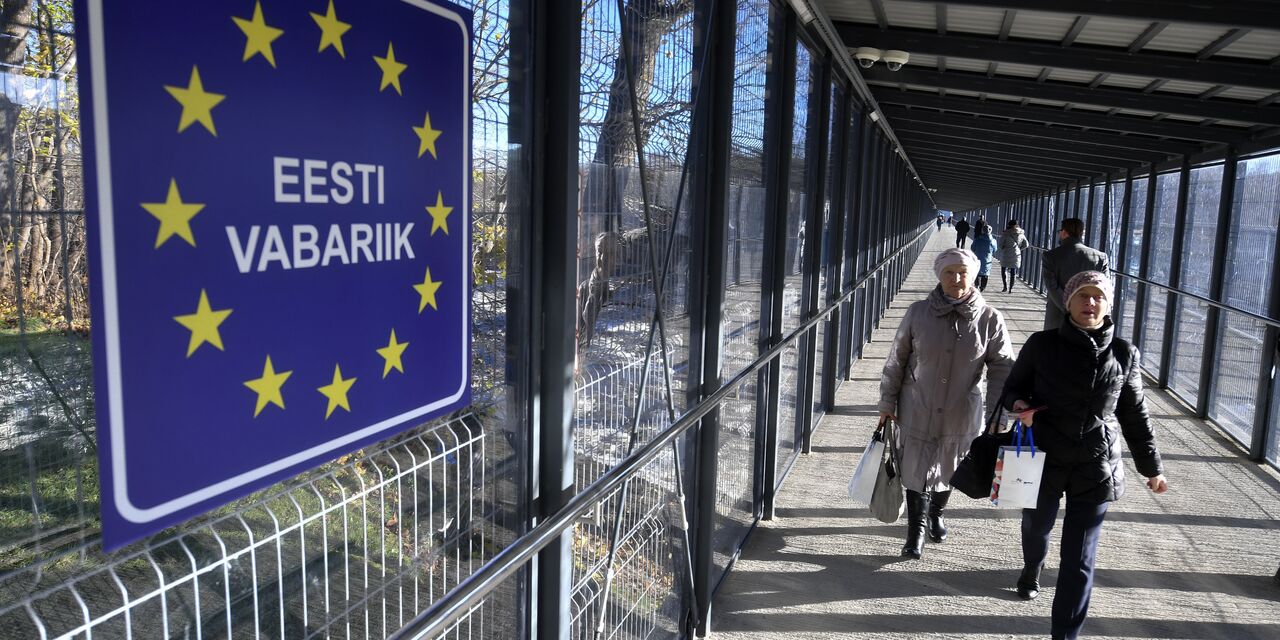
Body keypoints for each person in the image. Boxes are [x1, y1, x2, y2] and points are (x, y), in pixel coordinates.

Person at [1001, 271, 1168, 640]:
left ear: (1108, 305)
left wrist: (1151, 468)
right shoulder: (1042, 345)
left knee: (1079, 560)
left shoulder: (1123, 353)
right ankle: (1032, 567)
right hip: (1042, 455)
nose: (1090, 303)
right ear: (1068, 301)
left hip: (1096, 463)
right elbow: (1011, 388)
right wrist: (1020, 404)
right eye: (1083, 296)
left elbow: (1134, 413)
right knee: (1036, 527)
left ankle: (1065, 635)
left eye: (1098, 297)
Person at [878, 248, 1014, 559]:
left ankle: (937, 513)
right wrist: (887, 403)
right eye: (949, 273)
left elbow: (1002, 368)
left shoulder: (991, 318)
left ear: (973, 275)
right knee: (915, 467)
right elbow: (896, 360)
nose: (956, 279)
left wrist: (998, 413)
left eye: (962, 273)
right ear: (939, 275)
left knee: (949, 466)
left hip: (961, 409)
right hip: (917, 404)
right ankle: (916, 531)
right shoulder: (918, 312)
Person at [1042, 218, 1108, 330]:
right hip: (1088, 316)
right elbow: (1104, 289)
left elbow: (1052, 287)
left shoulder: (1050, 256)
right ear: (1082, 233)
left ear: (1063, 232)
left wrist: (1071, 308)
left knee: (1053, 345)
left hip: (1057, 316)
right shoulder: (1100, 257)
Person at [997, 219, 1030, 293]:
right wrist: (1019, 249)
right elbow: (1026, 245)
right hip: (1016, 254)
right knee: (1013, 271)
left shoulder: (1005, 233)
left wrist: (1003, 247)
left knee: (1004, 270)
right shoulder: (1021, 233)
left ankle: (1005, 286)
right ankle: (1011, 288)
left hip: (1006, 253)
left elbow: (1000, 244)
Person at [970, 221, 995, 292]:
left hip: (977, 258)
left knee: (977, 272)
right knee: (985, 274)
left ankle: (977, 285)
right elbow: (995, 249)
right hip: (987, 259)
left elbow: (972, 248)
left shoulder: (977, 239)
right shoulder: (993, 241)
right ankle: (982, 287)